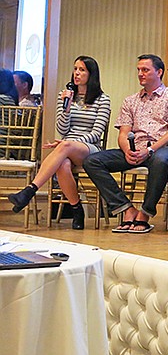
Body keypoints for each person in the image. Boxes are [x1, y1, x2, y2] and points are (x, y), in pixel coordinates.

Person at [83, 54, 168, 234]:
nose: (140, 73)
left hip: (164, 148)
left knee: (160, 160)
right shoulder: (130, 101)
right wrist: (127, 151)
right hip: (135, 150)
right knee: (92, 161)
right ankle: (126, 209)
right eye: (138, 70)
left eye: (145, 70)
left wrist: (149, 150)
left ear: (159, 72)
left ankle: (145, 214)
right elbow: (123, 133)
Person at [9, 56, 111, 229]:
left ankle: (30, 190)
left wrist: (69, 144)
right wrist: (67, 106)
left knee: (64, 146)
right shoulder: (64, 96)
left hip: (90, 149)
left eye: (82, 70)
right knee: (62, 164)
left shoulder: (102, 99)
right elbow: (62, 130)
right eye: (75, 69)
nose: (77, 73)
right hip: (67, 148)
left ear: (91, 74)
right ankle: (76, 209)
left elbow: (95, 134)